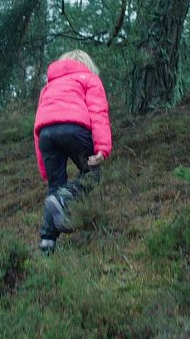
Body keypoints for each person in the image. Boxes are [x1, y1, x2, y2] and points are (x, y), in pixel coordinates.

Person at [33, 50, 112, 254]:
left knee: (55, 187)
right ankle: (63, 198)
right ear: (87, 64)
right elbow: (98, 112)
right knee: (93, 174)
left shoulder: (48, 87)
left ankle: (47, 243)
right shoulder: (90, 79)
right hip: (74, 128)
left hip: (46, 134)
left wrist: (44, 168)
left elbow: (37, 127)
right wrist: (102, 148)